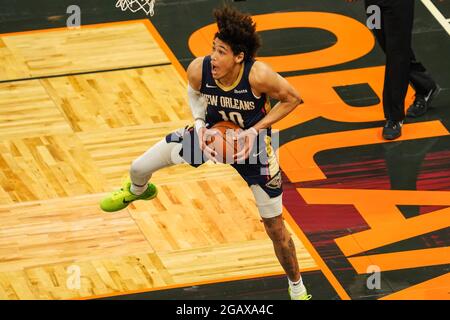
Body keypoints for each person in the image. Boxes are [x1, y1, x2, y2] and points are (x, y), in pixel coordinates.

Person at [100, 5, 311, 300]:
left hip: (253, 151)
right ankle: (138, 190)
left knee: (276, 228)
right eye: (213, 49)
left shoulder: (259, 76)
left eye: (222, 52)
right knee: (138, 167)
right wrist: (199, 124)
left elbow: (293, 99)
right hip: (210, 137)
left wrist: (254, 130)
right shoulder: (200, 69)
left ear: (239, 56)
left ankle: (298, 288)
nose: (214, 57)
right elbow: (193, 90)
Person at [347, 0, 440, 140]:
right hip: (373, 4)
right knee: (388, 45)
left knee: (396, 54)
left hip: (398, 4)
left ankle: (394, 118)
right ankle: (425, 85)